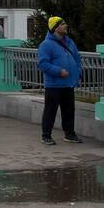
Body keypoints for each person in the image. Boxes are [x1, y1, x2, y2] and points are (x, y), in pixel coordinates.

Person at [37, 15, 83, 145]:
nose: (65, 26)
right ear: (56, 28)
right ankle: (46, 135)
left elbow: (77, 59)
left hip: (68, 83)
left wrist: (78, 73)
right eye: (63, 24)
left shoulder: (70, 42)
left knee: (69, 110)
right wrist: (58, 71)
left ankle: (69, 134)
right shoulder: (46, 45)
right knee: (50, 111)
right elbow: (42, 64)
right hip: (54, 84)